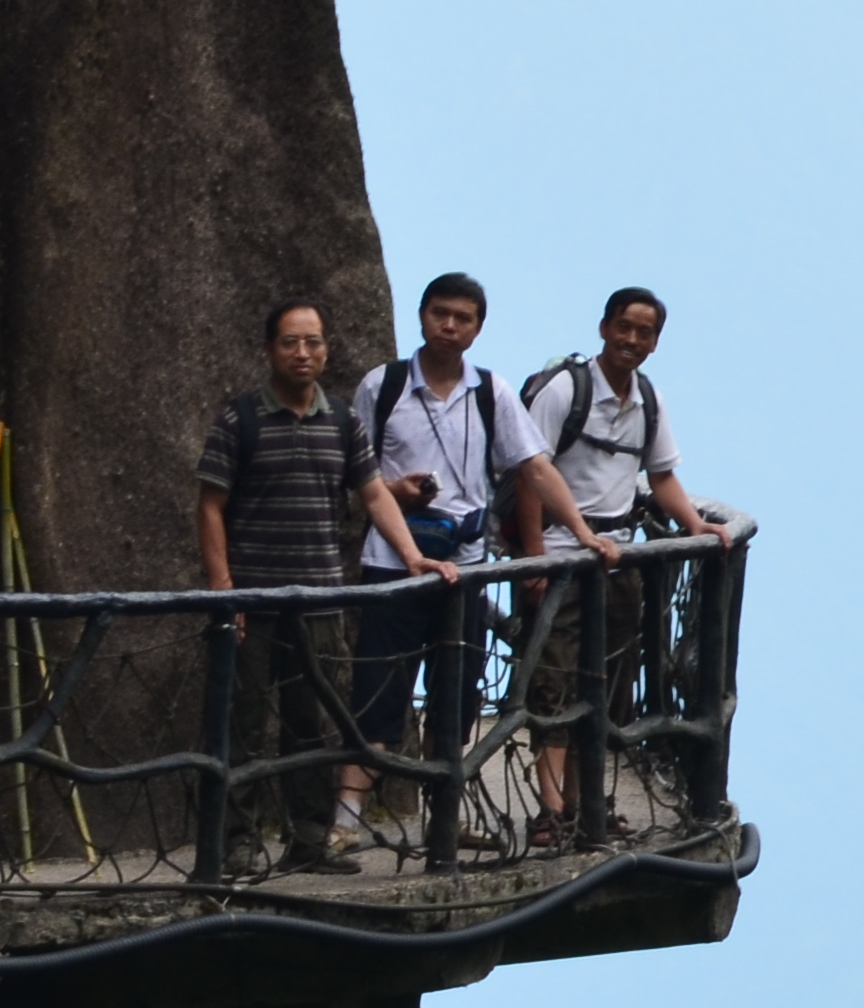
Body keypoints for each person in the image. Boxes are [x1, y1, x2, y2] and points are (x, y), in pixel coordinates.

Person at [349, 272, 603, 862]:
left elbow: (533, 467)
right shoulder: (382, 386)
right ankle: (346, 818)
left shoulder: (492, 393)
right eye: (441, 313)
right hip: (391, 562)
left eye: (462, 318)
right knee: (377, 691)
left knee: (455, 699)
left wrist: (583, 533)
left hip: (465, 570)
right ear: (422, 316)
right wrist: (396, 490)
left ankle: (443, 818)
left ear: (478, 327)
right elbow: (353, 474)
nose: (450, 326)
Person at [518, 287, 727, 841]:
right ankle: (551, 810)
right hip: (562, 556)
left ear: (656, 342)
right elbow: (529, 472)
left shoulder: (647, 402)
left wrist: (696, 527)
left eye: (645, 332)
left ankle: (591, 803)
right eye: (625, 327)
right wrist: (532, 559)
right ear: (604, 327)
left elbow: (661, 478)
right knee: (554, 681)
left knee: (608, 683)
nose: (632, 340)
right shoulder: (565, 391)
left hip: (618, 559)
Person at [195, 296, 382, 872]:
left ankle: (307, 841)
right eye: (290, 342)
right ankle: (236, 845)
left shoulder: (344, 419)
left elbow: (373, 492)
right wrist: (226, 590)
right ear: (270, 349)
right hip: (254, 600)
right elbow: (210, 507)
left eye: (314, 342)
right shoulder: (241, 419)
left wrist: (416, 557)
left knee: (311, 725)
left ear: (327, 349)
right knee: (244, 723)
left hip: (320, 599)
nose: (303, 353)